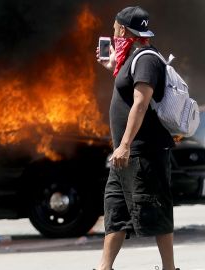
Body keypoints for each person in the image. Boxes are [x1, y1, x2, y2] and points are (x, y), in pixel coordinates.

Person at [95, 6, 179, 270]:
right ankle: (104, 268)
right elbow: (126, 91)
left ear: (123, 29)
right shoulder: (131, 58)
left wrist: (125, 145)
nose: (113, 33)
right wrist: (112, 66)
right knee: (116, 212)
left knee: (155, 209)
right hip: (125, 155)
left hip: (143, 152)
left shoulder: (147, 60)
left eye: (115, 28)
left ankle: (169, 268)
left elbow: (140, 104)